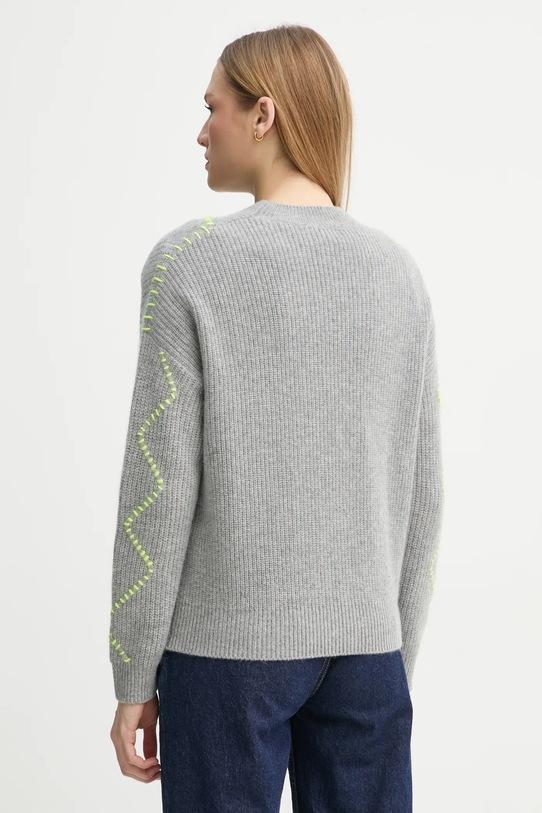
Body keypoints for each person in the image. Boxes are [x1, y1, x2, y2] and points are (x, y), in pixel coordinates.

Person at [108, 23, 443, 813]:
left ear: (264, 115)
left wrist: (132, 673)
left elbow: (157, 490)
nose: (202, 131)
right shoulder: (399, 273)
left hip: (224, 655)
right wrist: (390, 654)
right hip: (368, 653)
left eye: (213, 107)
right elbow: (423, 493)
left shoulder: (188, 264)